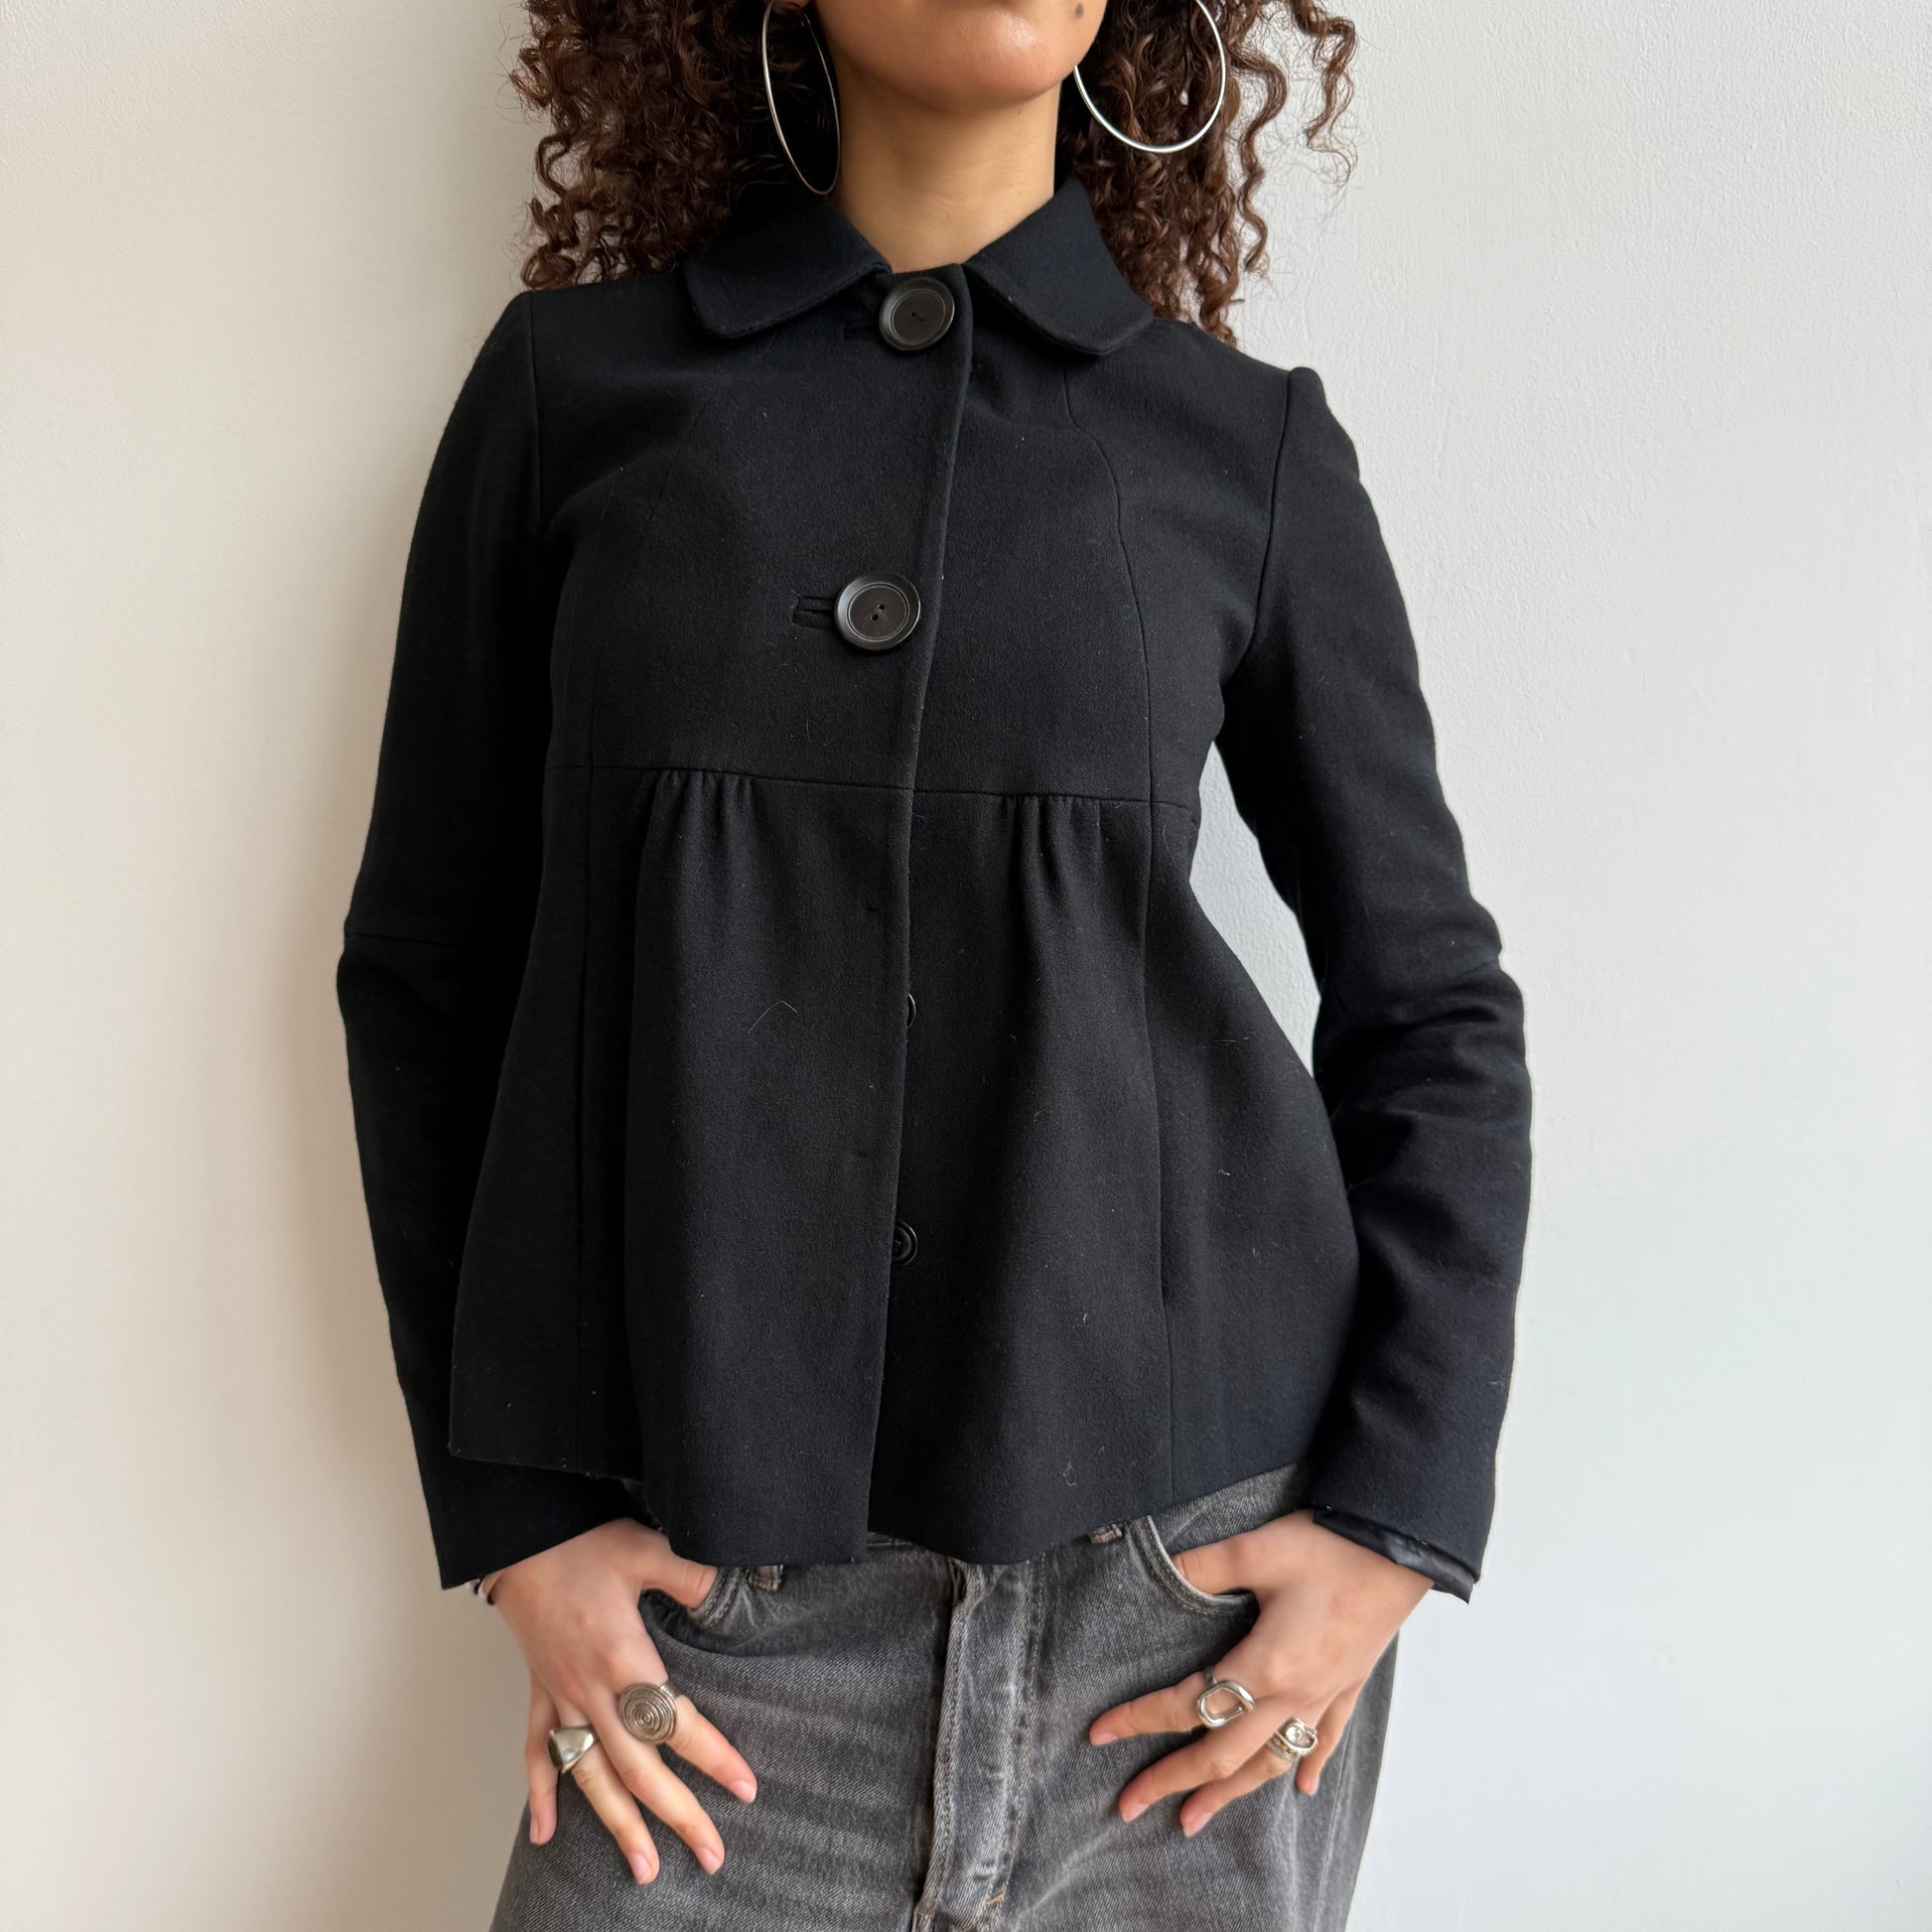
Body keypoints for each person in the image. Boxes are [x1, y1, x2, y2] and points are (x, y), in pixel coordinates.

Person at [336, 0, 1533, 1923]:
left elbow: (1433, 1011)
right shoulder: (571, 394)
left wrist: (1399, 1515)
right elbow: (425, 973)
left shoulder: (1246, 450)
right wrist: (514, 1515)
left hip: (1185, 1634)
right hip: (699, 1628)